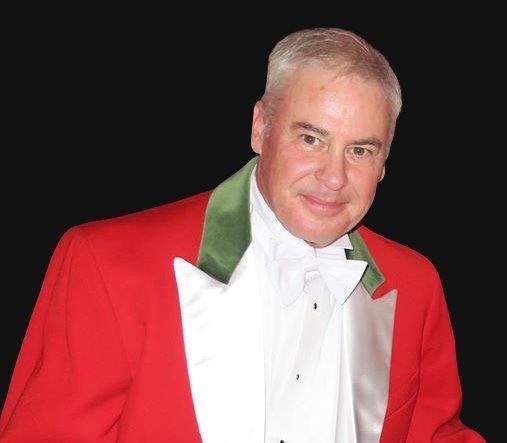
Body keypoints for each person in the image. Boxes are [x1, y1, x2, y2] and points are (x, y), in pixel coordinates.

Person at [0, 27, 484, 442]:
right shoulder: (107, 263)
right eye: (310, 138)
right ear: (260, 127)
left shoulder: (415, 284)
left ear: (385, 161)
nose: (334, 177)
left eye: (360, 150)